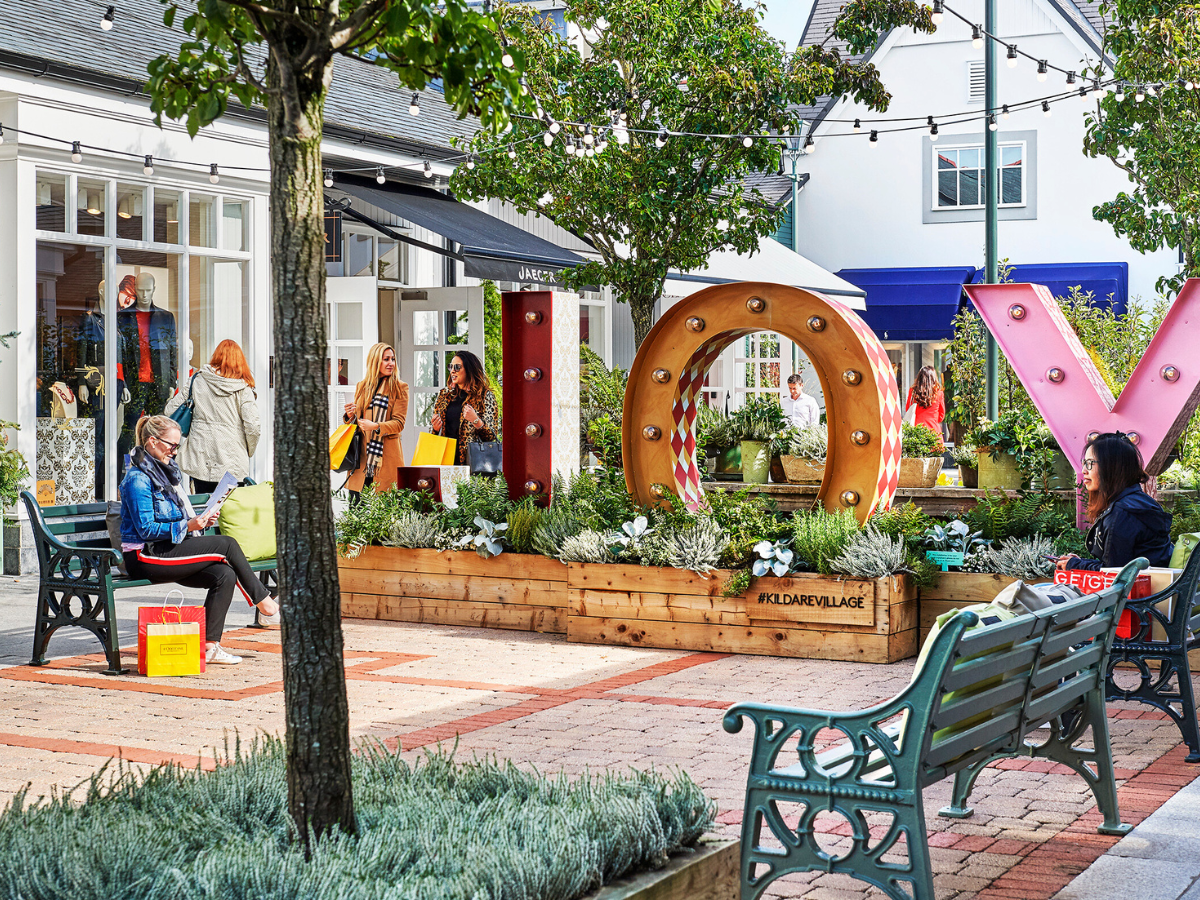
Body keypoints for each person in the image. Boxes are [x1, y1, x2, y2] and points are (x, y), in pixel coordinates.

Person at [119, 415, 279, 666]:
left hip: (166, 548)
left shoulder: (166, 474)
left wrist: (201, 520)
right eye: (171, 445)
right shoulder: (137, 478)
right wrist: (188, 525)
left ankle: (210, 647)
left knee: (223, 574)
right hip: (144, 556)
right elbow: (146, 529)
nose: (174, 451)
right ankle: (265, 603)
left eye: (177, 445)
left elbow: (174, 518)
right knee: (226, 544)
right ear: (152, 441)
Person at [1056, 432, 1173, 572]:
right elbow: (1121, 564)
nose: (1083, 471)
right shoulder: (1138, 501)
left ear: (1112, 467)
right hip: (1156, 587)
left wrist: (1074, 565)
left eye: (1090, 464)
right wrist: (1078, 563)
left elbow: (1113, 573)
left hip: (1143, 592)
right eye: (1084, 463)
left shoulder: (1121, 513)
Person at [165, 339, 261, 494]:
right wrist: (248, 450)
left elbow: (170, 410)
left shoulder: (197, 380)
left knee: (205, 509)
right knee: (233, 510)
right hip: (233, 459)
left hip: (201, 458)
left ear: (216, 357)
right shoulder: (244, 389)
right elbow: (253, 427)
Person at [343, 342, 409, 504]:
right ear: (375, 361)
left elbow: (399, 423)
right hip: (361, 460)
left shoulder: (400, 388)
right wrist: (350, 415)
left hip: (385, 458)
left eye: (393, 359)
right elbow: (356, 422)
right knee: (357, 511)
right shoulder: (362, 386)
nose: (391, 363)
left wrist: (377, 426)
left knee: (384, 513)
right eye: (386, 359)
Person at [430, 350, 499, 465]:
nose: (452, 371)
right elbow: (434, 432)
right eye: (450, 367)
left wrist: (476, 421)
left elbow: (491, 439)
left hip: (473, 463)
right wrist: (435, 429)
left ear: (469, 369)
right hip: (446, 461)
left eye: (457, 367)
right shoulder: (444, 395)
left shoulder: (485, 396)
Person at [905, 365, 945, 436]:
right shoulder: (939, 393)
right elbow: (941, 415)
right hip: (934, 431)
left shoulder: (913, 391)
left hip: (917, 431)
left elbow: (908, 409)